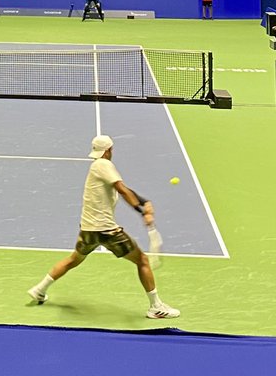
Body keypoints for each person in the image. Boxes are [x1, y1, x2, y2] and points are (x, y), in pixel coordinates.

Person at [27, 134, 179, 319]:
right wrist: (141, 211)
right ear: (108, 150)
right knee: (142, 261)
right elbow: (122, 189)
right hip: (106, 230)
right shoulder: (104, 165)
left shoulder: (97, 167)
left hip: (88, 229)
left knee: (73, 259)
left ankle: (39, 289)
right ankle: (155, 307)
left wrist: (143, 201)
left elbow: (121, 188)